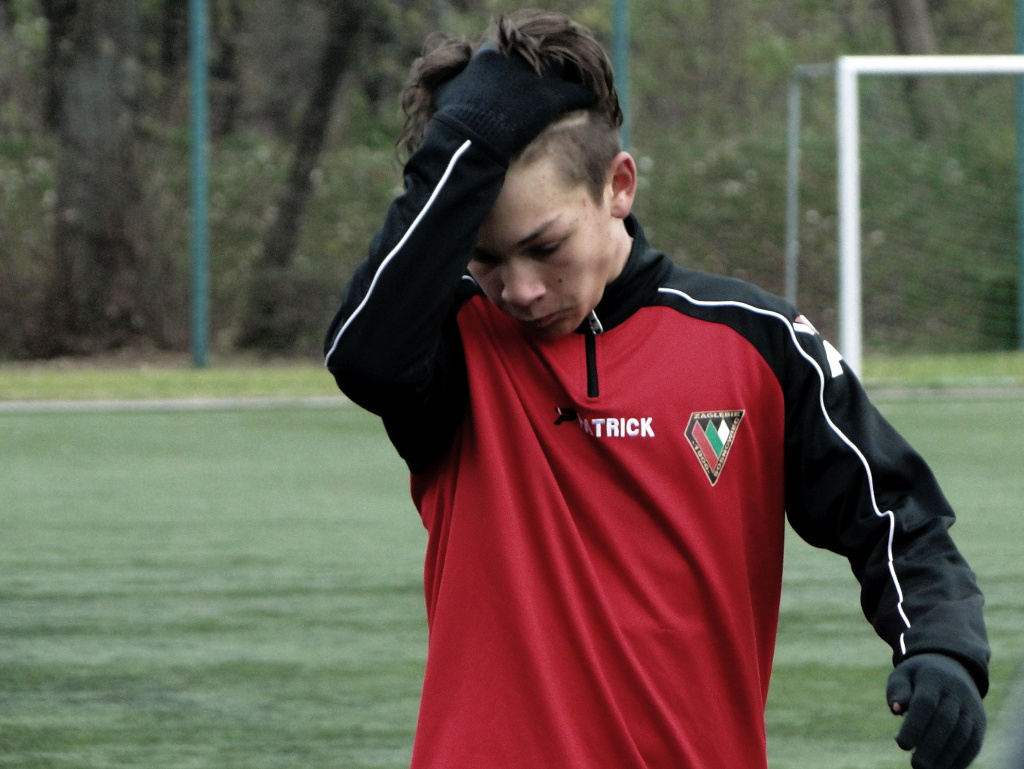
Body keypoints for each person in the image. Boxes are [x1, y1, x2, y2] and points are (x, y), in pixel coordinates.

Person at [324, 10, 989, 769]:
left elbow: (896, 514)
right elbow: (363, 357)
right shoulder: (452, 342)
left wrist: (941, 646)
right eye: (486, 259)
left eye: (545, 246)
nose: (521, 289)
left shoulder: (757, 341)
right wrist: (468, 134)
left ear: (619, 186)